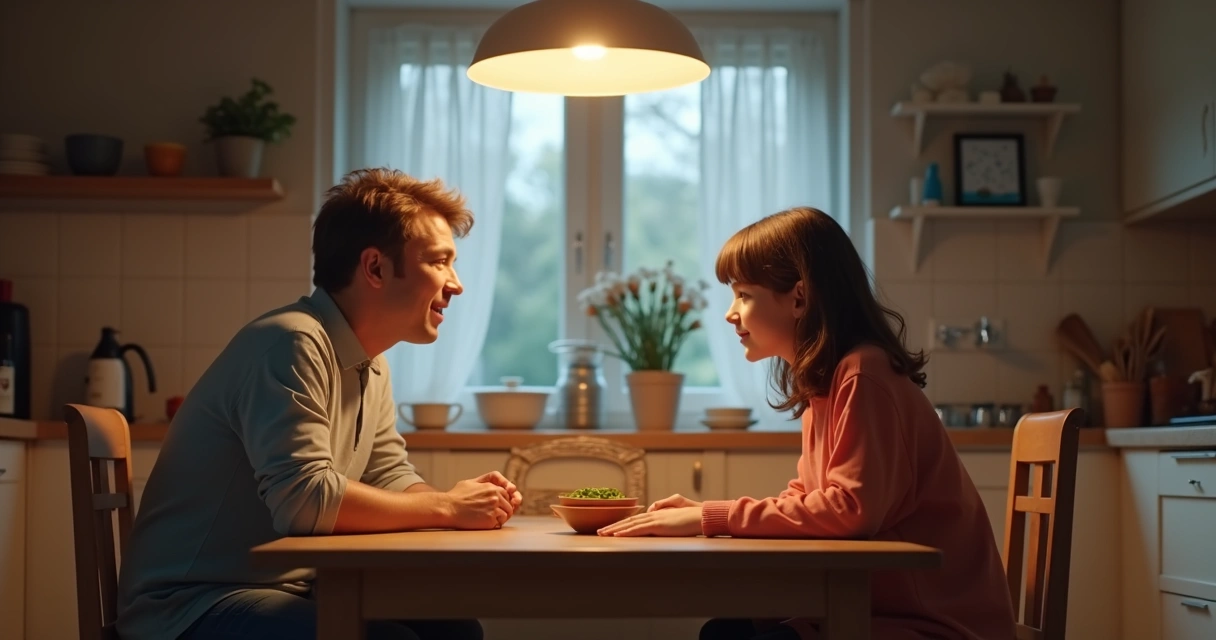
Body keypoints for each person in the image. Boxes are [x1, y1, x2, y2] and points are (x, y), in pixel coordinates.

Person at [116, 168, 522, 640]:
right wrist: (447, 508)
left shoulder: (369, 362)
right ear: (375, 268)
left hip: (287, 589)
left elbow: (387, 474)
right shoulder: (291, 343)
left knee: (454, 630)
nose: (456, 284)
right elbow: (304, 502)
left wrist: (461, 505)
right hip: (190, 606)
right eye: (440, 261)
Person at [598, 207, 1017, 640]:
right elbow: (810, 498)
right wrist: (707, 513)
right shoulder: (829, 382)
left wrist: (712, 516)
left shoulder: (863, 373)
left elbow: (849, 511)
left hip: (931, 625)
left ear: (799, 298)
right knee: (725, 631)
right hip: (879, 610)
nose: (730, 313)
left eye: (743, 294)